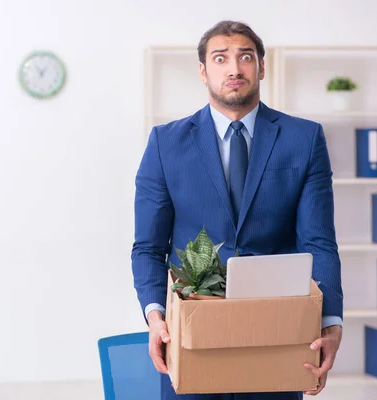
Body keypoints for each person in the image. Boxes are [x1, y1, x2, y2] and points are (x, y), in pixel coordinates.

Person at [131, 20, 344, 400]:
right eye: (220, 58)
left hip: (277, 334)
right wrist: (155, 316)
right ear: (202, 71)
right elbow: (148, 246)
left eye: (246, 57)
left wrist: (329, 322)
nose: (234, 69)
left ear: (262, 67)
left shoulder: (304, 138)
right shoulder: (165, 143)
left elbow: (319, 241)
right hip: (192, 332)